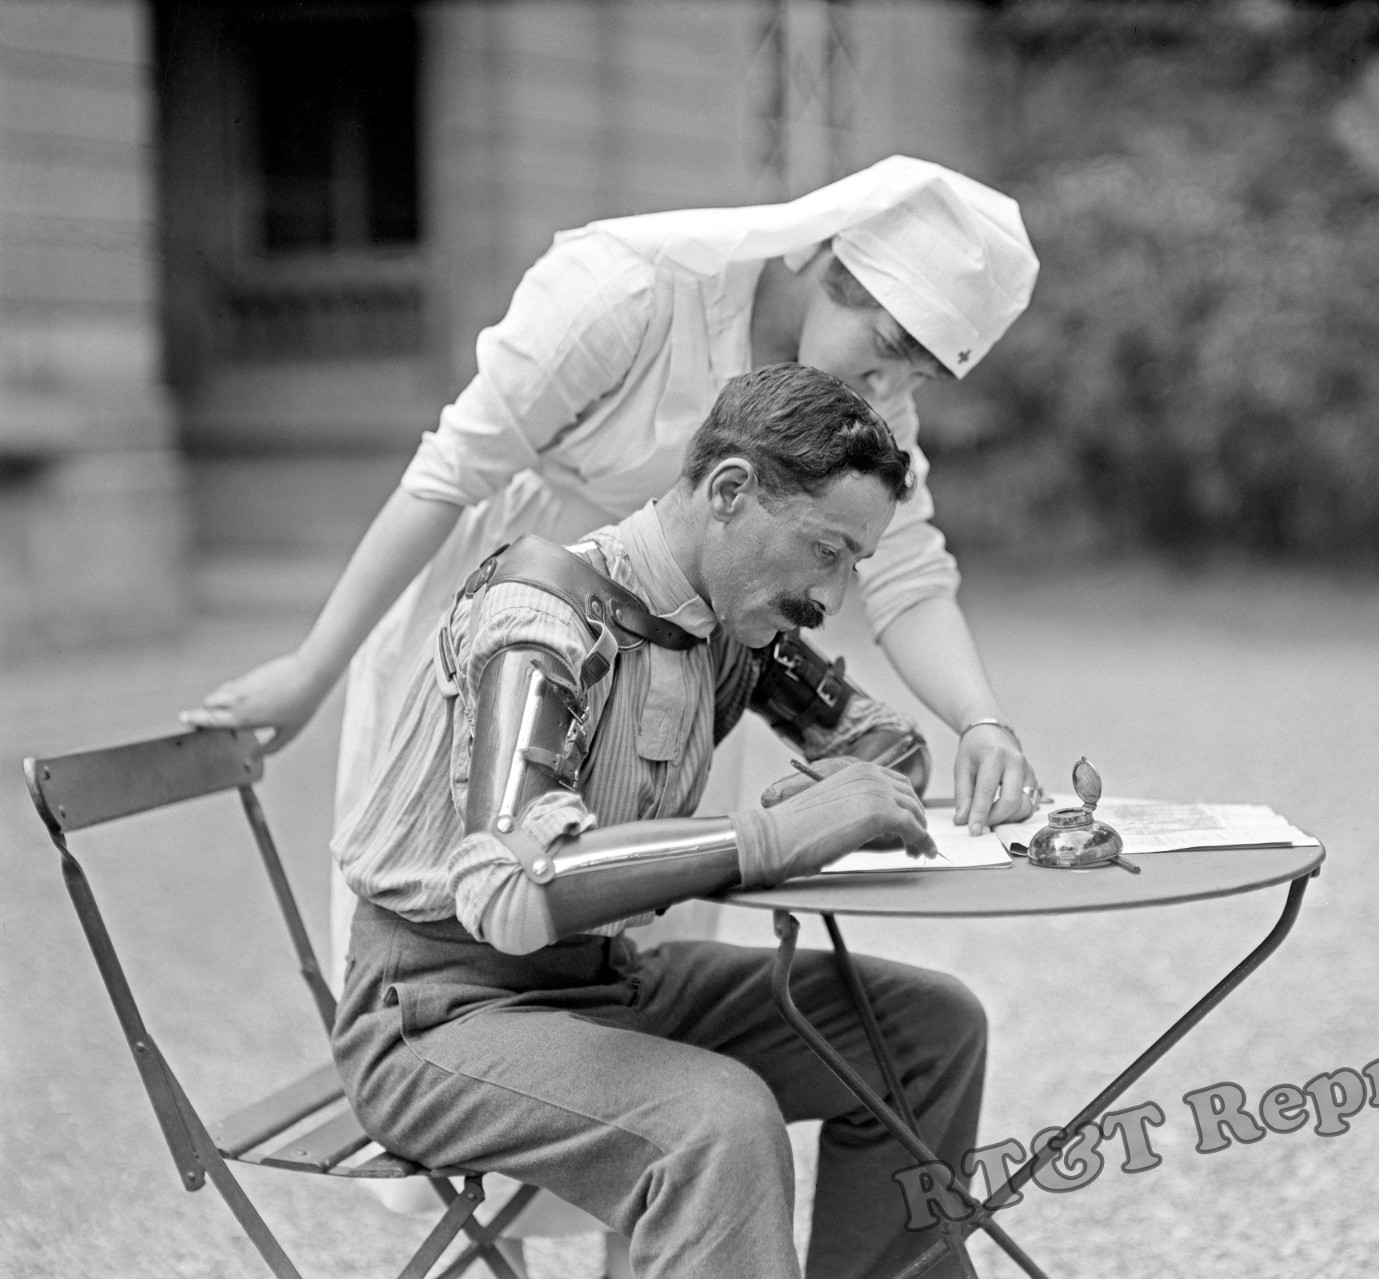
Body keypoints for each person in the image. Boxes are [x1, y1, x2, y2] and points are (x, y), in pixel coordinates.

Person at [179, 155, 1045, 993]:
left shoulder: (873, 407)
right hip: (520, 619)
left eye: (919, 375)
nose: (890, 386)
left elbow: (908, 571)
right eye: (886, 346)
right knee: (468, 904)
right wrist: (311, 669)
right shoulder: (629, 291)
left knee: (643, 942)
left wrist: (981, 721)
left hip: (677, 660)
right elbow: (447, 474)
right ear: (822, 257)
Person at [333, 365, 987, 1279]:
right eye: (825, 551)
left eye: (852, 564)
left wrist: (854, 780)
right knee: (716, 1123)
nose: (831, 598)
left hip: (605, 984)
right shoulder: (542, 619)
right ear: (730, 491)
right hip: (440, 1014)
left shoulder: (726, 623)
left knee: (927, 1030)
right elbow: (511, 887)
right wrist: (763, 840)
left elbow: (885, 742)